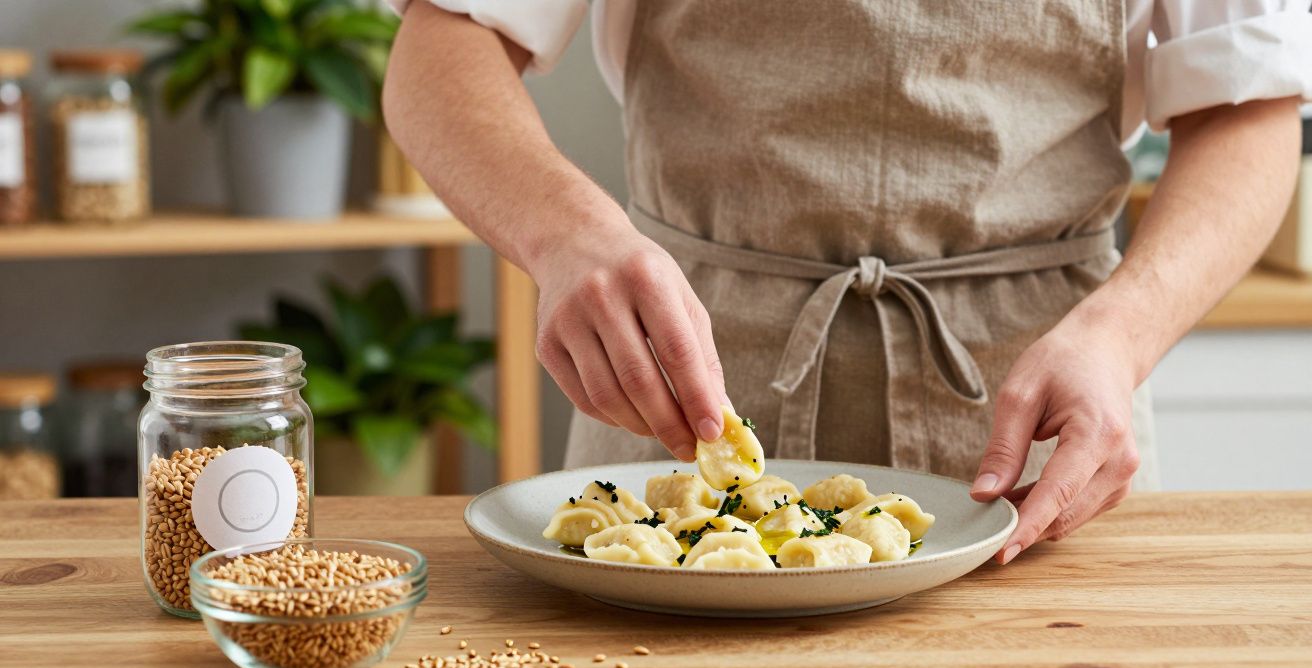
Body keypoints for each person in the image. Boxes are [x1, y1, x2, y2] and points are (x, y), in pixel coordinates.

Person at [383, 1, 1311, 563]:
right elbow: (445, 40)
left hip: (1039, 411)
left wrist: (1122, 336)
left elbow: (1249, 104)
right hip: (690, 368)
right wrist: (565, 235)